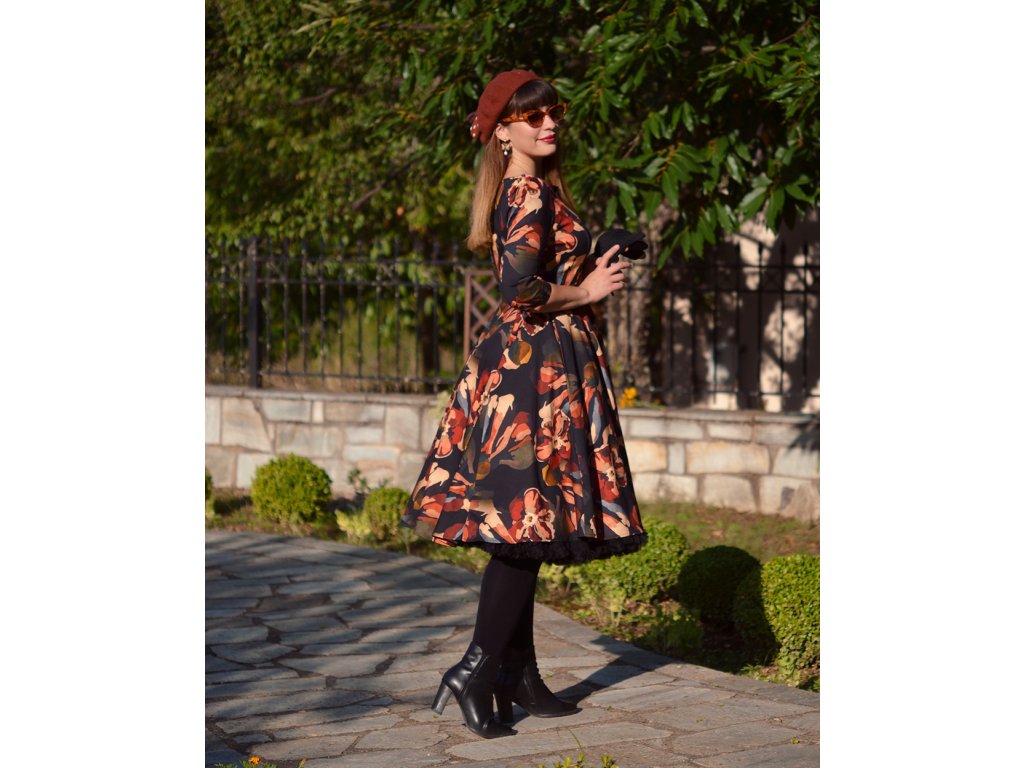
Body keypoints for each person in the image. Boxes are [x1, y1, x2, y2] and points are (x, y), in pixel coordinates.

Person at [401, 69, 646, 739]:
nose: (549, 124)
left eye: (553, 112)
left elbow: (540, 268)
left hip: (535, 364)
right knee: (522, 526)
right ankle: (474, 670)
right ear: (503, 132)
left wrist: (597, 252)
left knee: (530, 525)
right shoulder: (527, 189)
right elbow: (521, 289)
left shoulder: (534, 190)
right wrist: (587, 292)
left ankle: (519, 673)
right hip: (533, 372)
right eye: (532, 117)